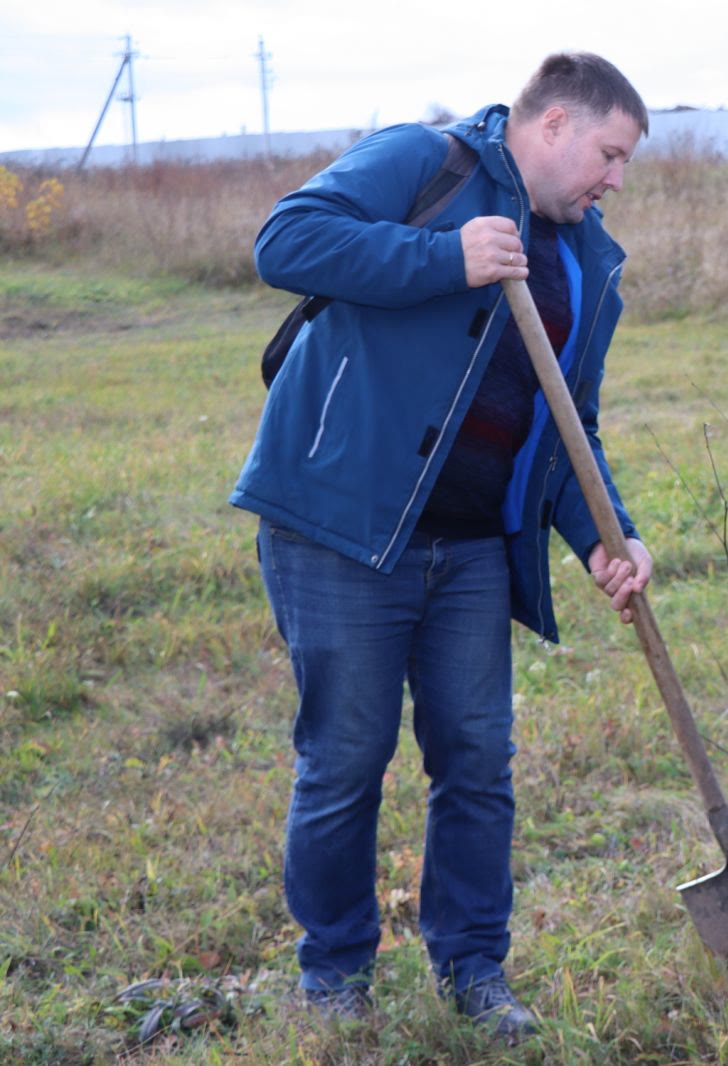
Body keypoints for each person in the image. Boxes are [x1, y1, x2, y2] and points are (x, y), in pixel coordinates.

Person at [231, 52, 654, 1039]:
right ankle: (333, 974)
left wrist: (604, 530)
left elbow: (569, 423)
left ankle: (474, 969)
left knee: (476, 759)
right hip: (344, 530)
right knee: (345, 758)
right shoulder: (426, 162)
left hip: (469, 549)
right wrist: (443, 257)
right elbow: (284, 240)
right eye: (610, 153)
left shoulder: (588, 260)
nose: (616, 180)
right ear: (552, 125)